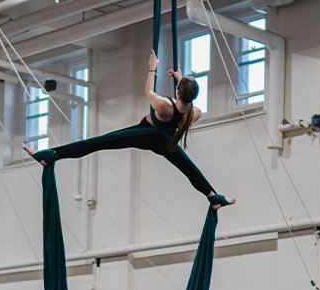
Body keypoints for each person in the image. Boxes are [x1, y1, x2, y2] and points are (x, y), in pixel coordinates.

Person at [24, 51, 235, 210]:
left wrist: (153, 67)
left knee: (101, 141)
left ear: (177, 92)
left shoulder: (164, 105)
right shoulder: (194, 113)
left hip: (146, 134)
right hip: (166, 142)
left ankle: (52, 154)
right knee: (188, 167)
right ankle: (213, 196)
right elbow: (186, 100)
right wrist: (180, 80)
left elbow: (148, 91)